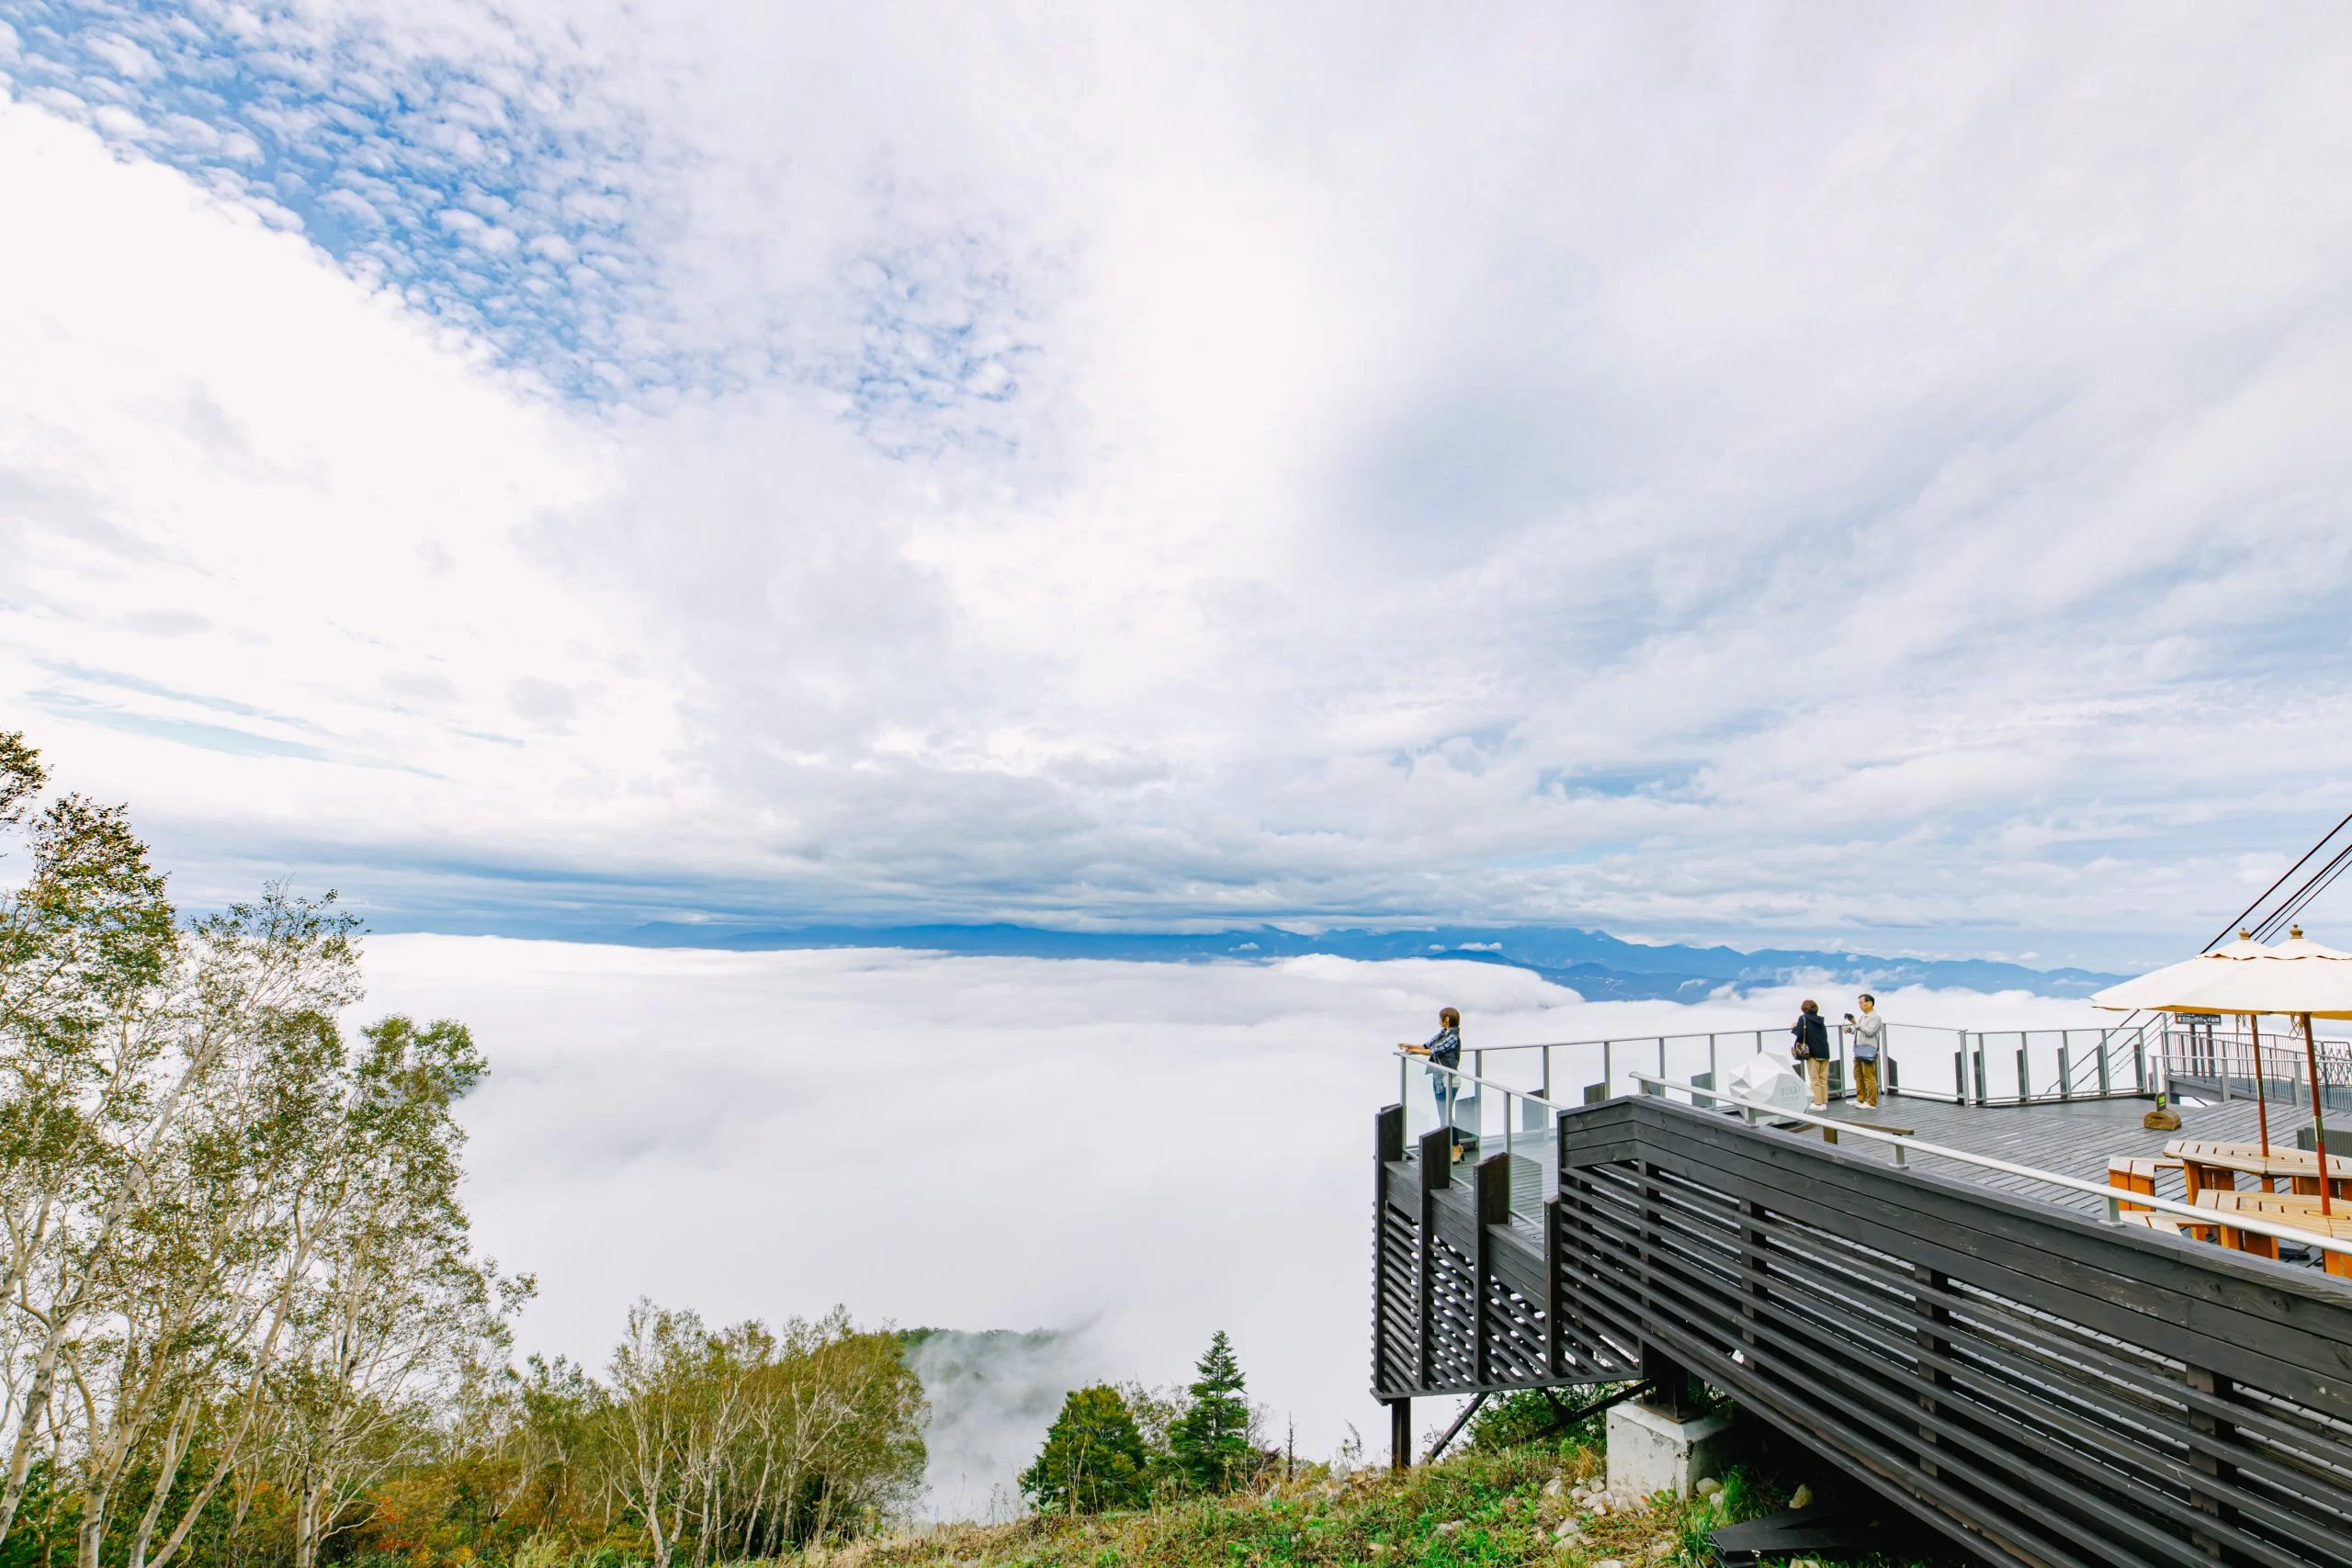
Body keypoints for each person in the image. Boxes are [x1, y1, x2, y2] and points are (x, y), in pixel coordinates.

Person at [1399, 1007, 1464, 1161]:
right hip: (1439, 1079)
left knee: (1445, 1114)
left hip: (1449, 1080)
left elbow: (1433, 1051)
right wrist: (1409, 1046)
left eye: (1440, 1018)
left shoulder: (1453, 1037)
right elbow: (1427, 1046)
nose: (1439, 1021)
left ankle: (1456, 1147)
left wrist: (1415, 1051)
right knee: (1443, 1114)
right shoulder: (1443, 1034)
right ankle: (1450, 1146)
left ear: (1447, 1019)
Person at [1844, 993, 1884, 1109]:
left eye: (1862, 1003)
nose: (1860, 1005)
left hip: (1868, 1050)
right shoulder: (1863, 1016)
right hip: (1859, 1049)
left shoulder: (1875, 1017)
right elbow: (1858, 1030)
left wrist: (1855, 1023)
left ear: (1870, 1003)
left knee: (1869, 1077)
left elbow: (1869, 1032)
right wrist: (1849, 1029)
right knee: (1858, 1075)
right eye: (1859, 1003)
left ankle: (1871, 1103)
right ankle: (1860, 1099)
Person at [1791, 999, 1830, 1110]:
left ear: (1804, 1009)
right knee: (1823, 1079)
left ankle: (1818, 1103)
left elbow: (1800, 1033)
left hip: (1813, 1052)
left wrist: (1794, 1027)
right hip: (1825, 1051)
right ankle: (1824, 1102)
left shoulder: (1803, 1018)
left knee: (1814, 1079)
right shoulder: (1820, 1020)